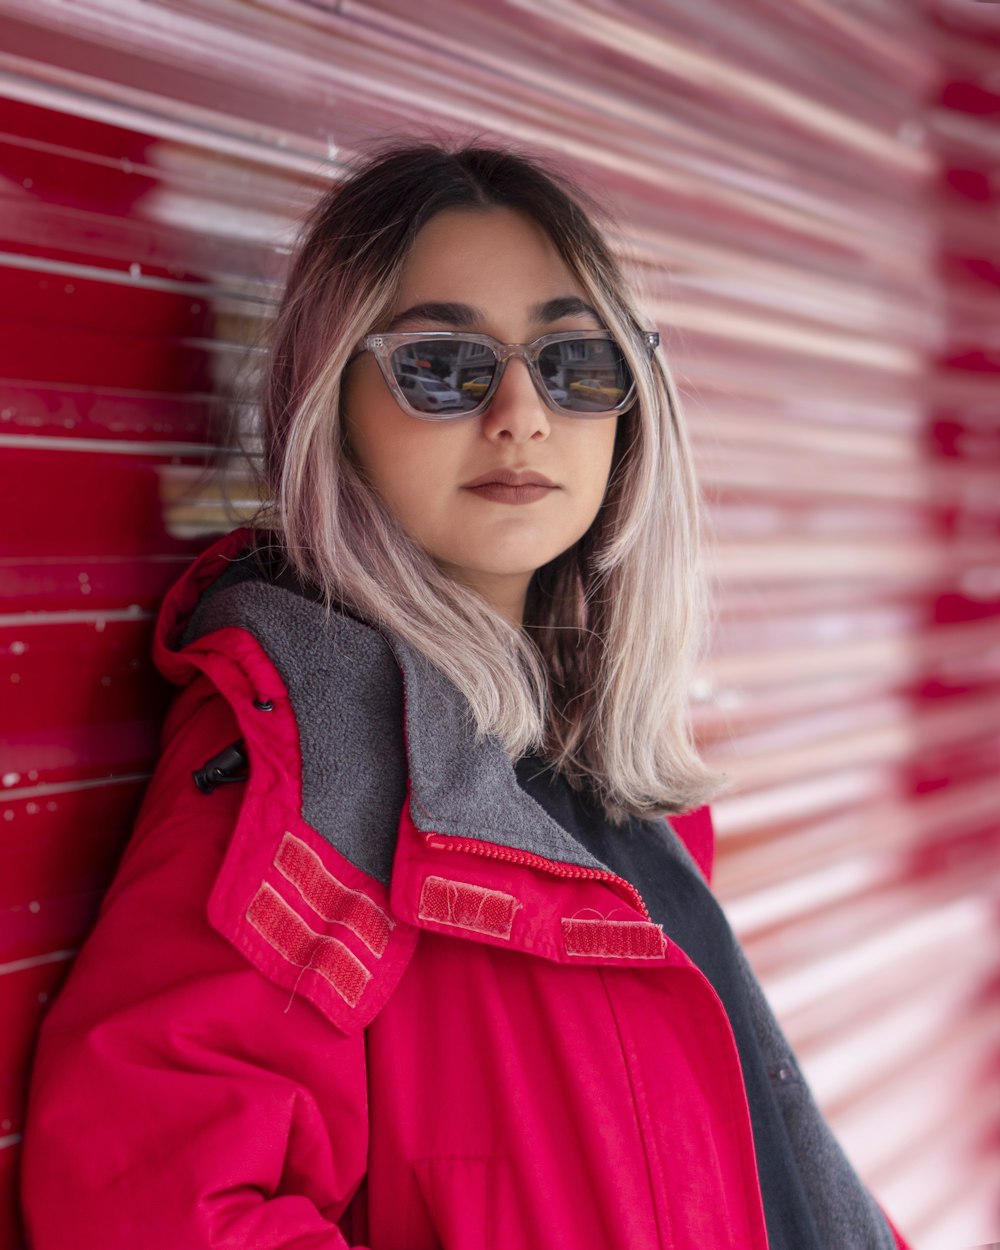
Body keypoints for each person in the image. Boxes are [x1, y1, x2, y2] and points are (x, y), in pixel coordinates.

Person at [20, 142, 909, 1250]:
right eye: (444, 365)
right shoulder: (313, 754)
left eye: (575, 361)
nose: (522, 414)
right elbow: (151, 1203)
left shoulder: (612, 774)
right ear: (331, 402)